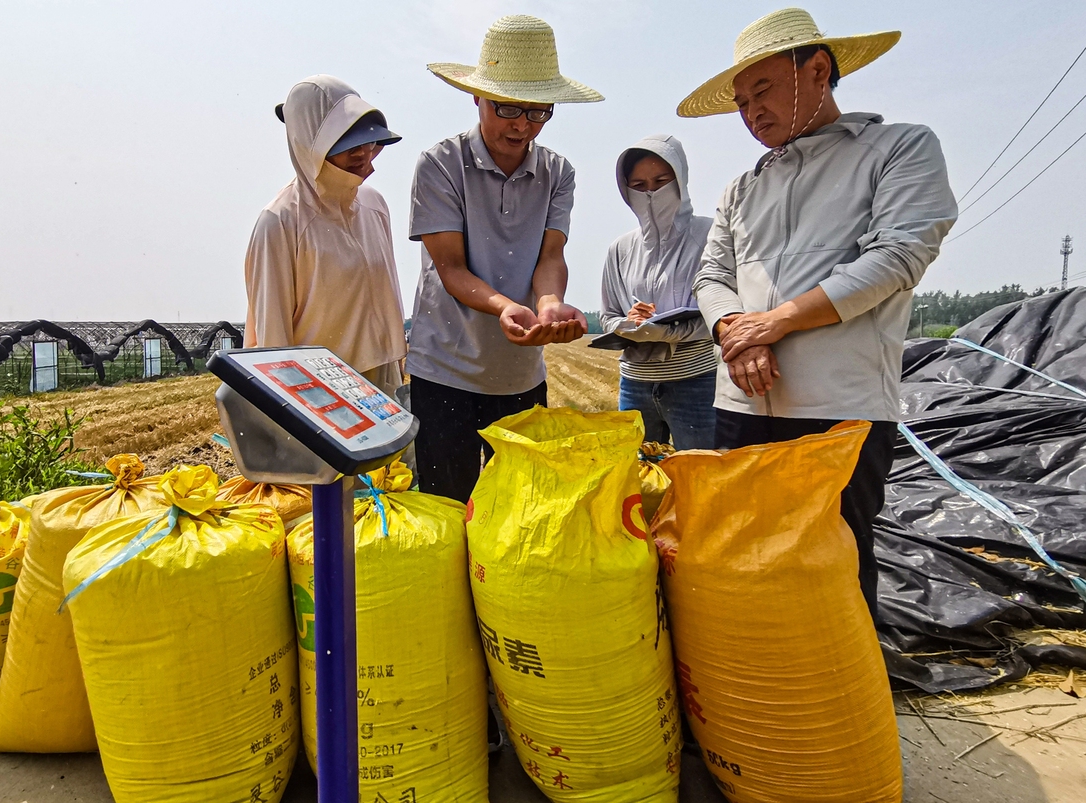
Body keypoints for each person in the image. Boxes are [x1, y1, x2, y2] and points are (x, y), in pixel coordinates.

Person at [680, 8, 958, 620]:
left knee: (835, 557)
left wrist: (777, 322)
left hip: (839, 404)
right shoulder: (741, 188)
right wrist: (735, 330)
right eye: (741, 101)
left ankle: (845, 704)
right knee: (748, 555)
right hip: (742, 401)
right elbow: (712, 277)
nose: (751, 113)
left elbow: (897, 255)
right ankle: (762, 691)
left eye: (763, 91)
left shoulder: (897, 148)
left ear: (819, 72)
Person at [407, 15, 603, 502]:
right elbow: (449, 267)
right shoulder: (440, 165)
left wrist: (550, 301)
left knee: (516, 514)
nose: (523, 125)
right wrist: (503, 306)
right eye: (508, 108)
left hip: (520, 375)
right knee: (448, 507)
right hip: (445, 370)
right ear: (476, 97)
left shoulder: (558, 172)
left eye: (539, 112)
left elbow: (550, 255)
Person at [244, 75, 407, 397]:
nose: (363, 153)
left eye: (369, 141)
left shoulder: (374, 206)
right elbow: (272, 337)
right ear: (309, 145)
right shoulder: (280, 222)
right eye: (347, 144)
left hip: (382, 381)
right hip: (318, 391)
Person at [600, 136, 717, 449]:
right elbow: (608, 314)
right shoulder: (620, 248)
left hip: (697, 380)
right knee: (638, 482)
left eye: (661, 181)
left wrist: (667, 334)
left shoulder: (711, 235)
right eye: (638, 184)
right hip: (634, 383)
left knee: (700, 478)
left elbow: (724, 312)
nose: (650, 192)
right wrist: (629, 324)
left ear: (681, 178)